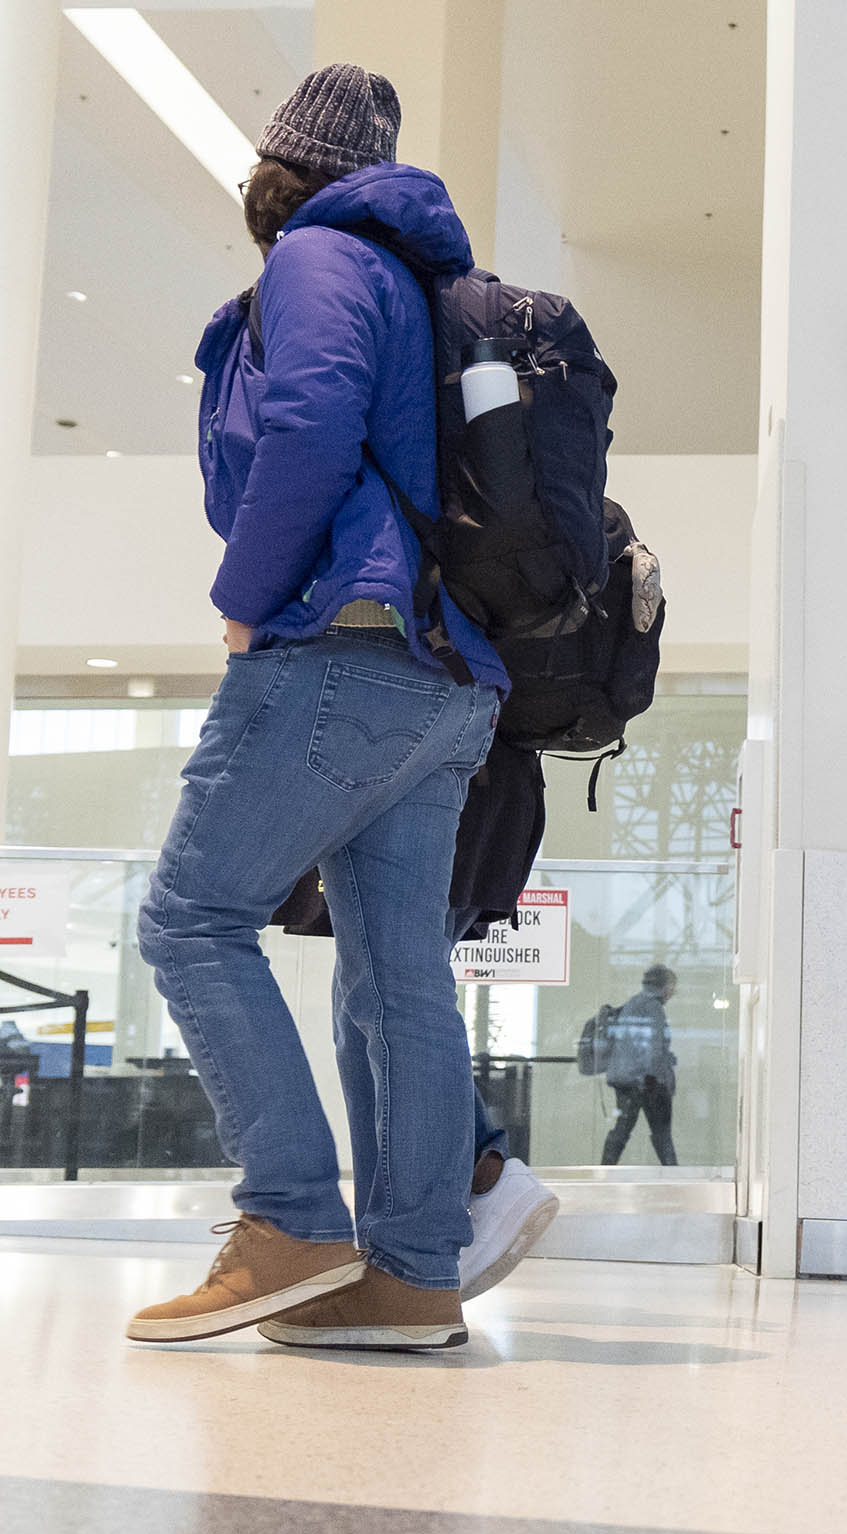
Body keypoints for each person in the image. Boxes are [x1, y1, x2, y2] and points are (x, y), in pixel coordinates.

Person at [127, 65, 509, 1352]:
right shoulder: (415, 278)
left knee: (191, 917)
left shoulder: (318, 258)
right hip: (446, 681)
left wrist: (245, 595)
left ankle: (288, 1215)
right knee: (400, 978)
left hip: (342, 645)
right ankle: (413, 1275)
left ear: (274, 176)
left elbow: (306, 425)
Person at [600, 966, 679, 1166]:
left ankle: (605, 1169)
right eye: (672, 985)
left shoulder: (634, 1003)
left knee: (623, 1128)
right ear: (664, 985)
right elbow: (651, 1047)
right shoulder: (652, 1007)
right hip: (644, 1080)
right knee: (661, 1132)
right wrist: (654, 1078)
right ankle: (674, 1174)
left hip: (626, 1078)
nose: (673, 991)